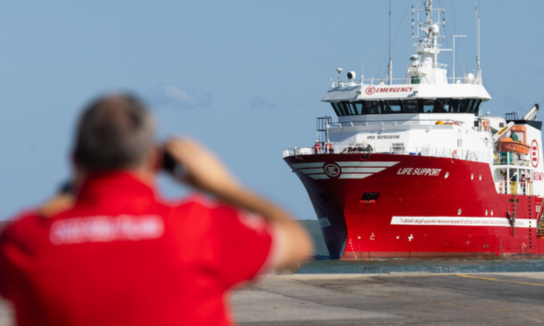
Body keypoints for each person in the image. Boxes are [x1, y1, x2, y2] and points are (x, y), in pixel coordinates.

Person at [0, 93, 313, 326]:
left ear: (75, 160)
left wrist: (60, 204)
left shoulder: (25, 239)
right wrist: (221, 185)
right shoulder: (197, 227)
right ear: (154, 159)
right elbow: (298, 241)